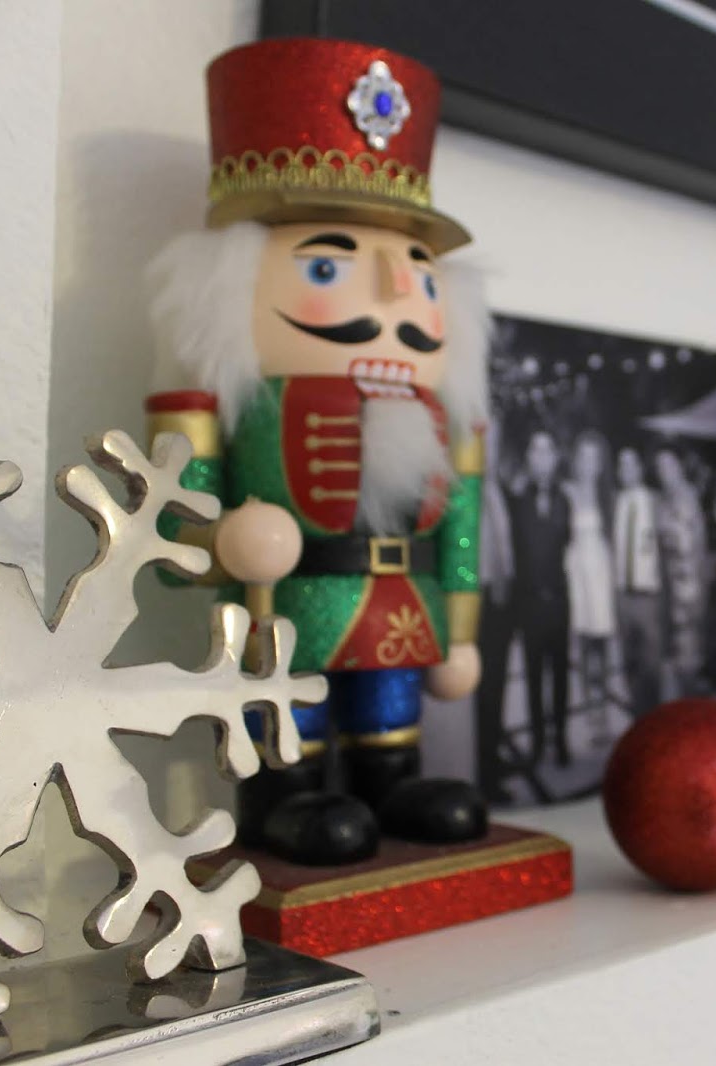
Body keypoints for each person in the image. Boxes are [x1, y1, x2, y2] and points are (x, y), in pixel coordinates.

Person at [143, 39, 488, 865]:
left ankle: (391, 780)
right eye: (329, 267)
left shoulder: (449, 422)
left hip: (402, 608)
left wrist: (462, 631)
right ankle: (282, 795)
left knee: (388, 709)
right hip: (287, 608)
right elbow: (171, 530)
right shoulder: (223, 403)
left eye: (419, 273)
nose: (395, 293)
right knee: (288, 711)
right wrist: (225, 540)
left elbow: (462, 532)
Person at [509, 430, 573, 767]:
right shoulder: (517, 501)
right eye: (536, 450)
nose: (542, 457)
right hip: (530, 603)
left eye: (548, 450)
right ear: (529, 459)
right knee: (534, 676)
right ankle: (536, 742)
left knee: (560, 674)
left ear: (556, 458)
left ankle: (560, 738)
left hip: (560, 601)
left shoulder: (566, 500)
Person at [474, 419, 517, 803]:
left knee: (498, 684)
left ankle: (493, 753)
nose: (492, 450)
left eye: (497, 442)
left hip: (502, 601)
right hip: (478, 601)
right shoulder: (466, 492)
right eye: (487, 441)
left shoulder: (497, 489)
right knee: (483, 689)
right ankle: (484, 772)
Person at [564, 430, 617, 742]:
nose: (588, 464)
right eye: (584, 457)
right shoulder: (567, 491)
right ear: (576, 460)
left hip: (601, 575)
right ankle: (591, 714)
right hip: (577, 576)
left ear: (600, 463)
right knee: (583, 648)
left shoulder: (607, 495)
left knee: (603, 648)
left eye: (594, 458)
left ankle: (604, 711)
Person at [654, 447, 712, 699]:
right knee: (679, 648)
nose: (664, 472)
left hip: (687, 584)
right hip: (672, 584)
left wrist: (693, 592)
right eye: (659, 467)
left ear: (678, 467)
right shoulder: (664, 499)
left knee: (688, 646)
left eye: (668, 465)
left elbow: (688, 544)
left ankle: (691, 697)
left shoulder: (686, 496)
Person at [612, 446, 664, 715]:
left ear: (640, 468)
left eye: (631, 464)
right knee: (629, 661)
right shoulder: (615, 502)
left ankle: (653, 716)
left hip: (648, 595)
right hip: (623, 595)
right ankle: (637, 715)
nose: (627, 470)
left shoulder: (654, 501)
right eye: (622, 465)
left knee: (651, 665)